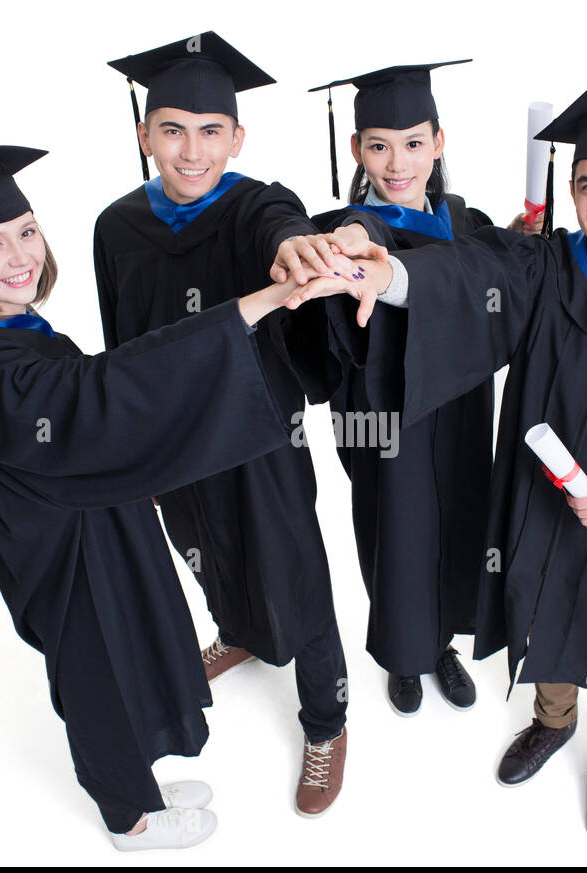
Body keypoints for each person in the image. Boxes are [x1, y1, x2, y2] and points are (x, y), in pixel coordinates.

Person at [286, 84, 587, 839]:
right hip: (542, 499)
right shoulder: (547, 267)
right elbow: (470, 276)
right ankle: (550, 721)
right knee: (542, 605)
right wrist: (385, 276)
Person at [0, 145, 312, 850]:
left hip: (98, 532)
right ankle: (128, 818)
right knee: (99, 677)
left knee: (129, 654)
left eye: (26, 231)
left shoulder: (14, 336)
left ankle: (138, 782)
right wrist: (248, 310)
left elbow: (98, 406)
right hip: (66, 559)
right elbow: (99, 394)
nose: (19, 255)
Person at [92, 33, 384, 817]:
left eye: (212, 130)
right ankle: (241, 628)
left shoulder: (255, 204)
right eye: (174, 129)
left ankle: (327, 720)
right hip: (171, 438)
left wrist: (297, 249)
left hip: (259, 435)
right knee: (203, 548)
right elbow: (118, 336)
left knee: (295, 567)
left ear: (237, 137)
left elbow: (281, 229)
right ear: (145, 134)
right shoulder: (116, 226)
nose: (193, 151)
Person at [285, 60, 496, 716]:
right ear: (356, 149)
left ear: (439, 141)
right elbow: (357, 247)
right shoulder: (339, 233)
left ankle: (441, 648)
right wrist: (349, 247)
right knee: (395, 530)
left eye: (412, 143)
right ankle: (405, 657)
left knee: (459, 518)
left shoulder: (470, 222)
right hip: (381, 419)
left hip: (459, 410)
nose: (396, 163)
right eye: (378, 145)